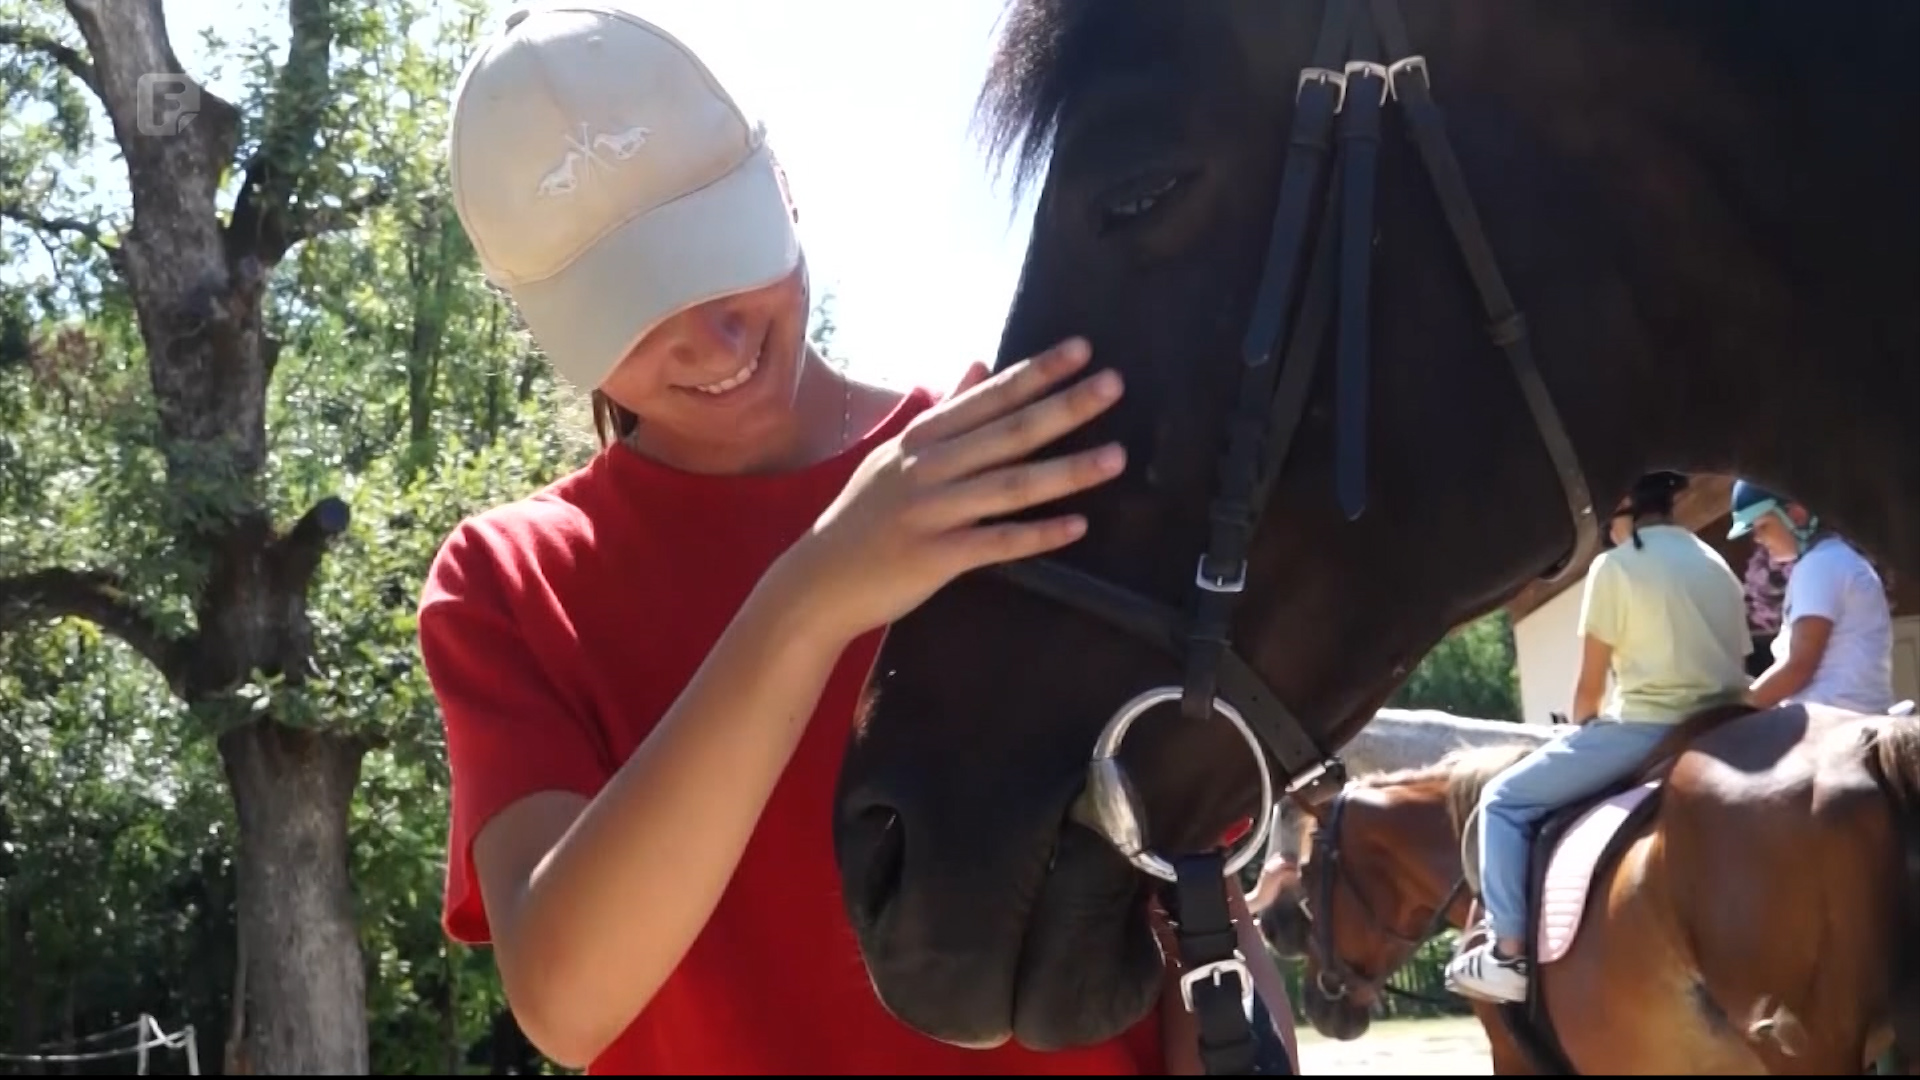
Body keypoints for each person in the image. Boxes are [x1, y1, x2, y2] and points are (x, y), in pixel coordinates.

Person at [416, 6, 1291, 1075]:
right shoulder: (513, 580)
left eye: (719, 257)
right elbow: (568, 998)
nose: (714, 339)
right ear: (548, 324)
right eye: (637, 309)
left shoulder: (1006, 450)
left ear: (781, 185)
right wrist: (813, 595)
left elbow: (1192, 902)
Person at [1444, 472, 1751, 1005]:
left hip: (1647, 728)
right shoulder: (1716, 563)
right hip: (1725, 726)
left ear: (1625, 508)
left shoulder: (1616, 567)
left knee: (1501, 801)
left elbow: (1588, 690)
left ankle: (1508, 953)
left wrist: (1583, 722)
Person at [1732, 481, 1896, 715]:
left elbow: (1799, 666)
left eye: (1763, 526)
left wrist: (1736, 708)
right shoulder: (1831, 558)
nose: (1757, 538)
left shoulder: (1821, 564)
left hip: (1832, 717)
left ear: (1797, 515)